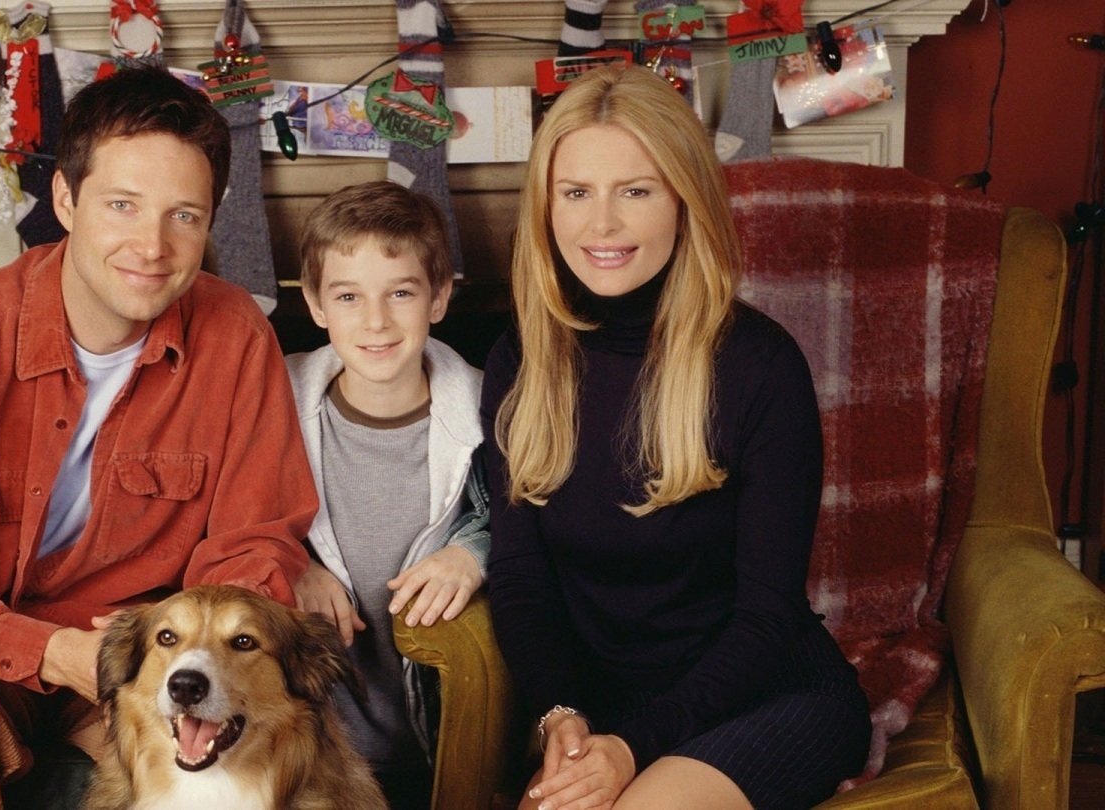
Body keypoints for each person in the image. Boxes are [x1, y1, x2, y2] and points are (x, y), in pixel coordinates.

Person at [0, 66, 317, 808]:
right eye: (123, 205)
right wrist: (49, 651)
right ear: (65, 200)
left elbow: (253, 542)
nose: (152, 245)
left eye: (183, 215)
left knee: (257, 745)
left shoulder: (236, 337)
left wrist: (191, 647)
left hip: (141, 656)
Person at [482, 65, 871, 810]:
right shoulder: (521, 360)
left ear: (686, 200)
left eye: (635, 191)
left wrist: (633, 745)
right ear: (545, 207)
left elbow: (767, 616)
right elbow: (521, 577)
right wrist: (560, 714)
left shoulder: (760, 366)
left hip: (765, 697)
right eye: (576, 193)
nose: (601, 225)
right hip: (605, 710)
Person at [287, 181, 489, 808]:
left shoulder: (489, 409)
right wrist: (291, 564)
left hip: (445, 744)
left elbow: (533, 514)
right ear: (316, 304)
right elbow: (228, 516)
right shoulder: (276, 404)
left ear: (439, 296)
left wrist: (475, 552)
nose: (375, 321)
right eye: (348, 296)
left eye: (400, 293)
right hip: (319, 751)